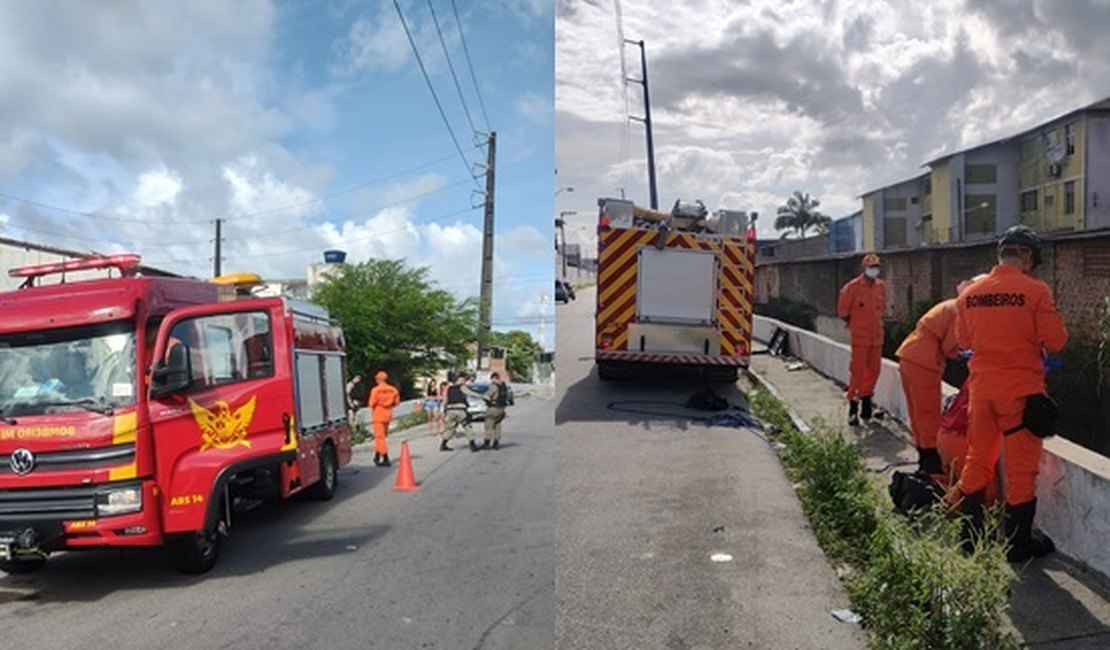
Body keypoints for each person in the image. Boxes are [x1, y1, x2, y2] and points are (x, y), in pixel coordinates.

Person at [947, 225, 1068, 562]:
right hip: (1020, 393)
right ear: (1026, 256)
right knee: (1021, 469)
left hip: (981, 392)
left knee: (978, 459)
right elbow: (1056, 341)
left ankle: (969, 537)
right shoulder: (1035, 291)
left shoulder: (970, 294)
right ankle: (1017, 544)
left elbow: (965, 343)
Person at [895, 275, 984, 477]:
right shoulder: (960, 310)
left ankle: (923, 457)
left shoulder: (950, 305)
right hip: (924, 361)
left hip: (910, 356)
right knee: (929, 414)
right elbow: (952, 345)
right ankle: (931, 464)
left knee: (917, 412)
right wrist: (966, 354)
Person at [838, 252, 887, 426]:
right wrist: (855, 324)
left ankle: (867, 405)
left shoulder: (880, 287)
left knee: (874, 371)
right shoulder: (852, 288)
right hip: (860, 338)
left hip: (876, 338)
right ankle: (853, 407)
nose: (874, 270)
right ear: (864, 268)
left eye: (876, 267)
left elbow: (882, 309)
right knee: (857, 373)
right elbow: (843, 311)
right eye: (871, 267)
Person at [440, 373, 482, 453]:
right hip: (460, 410)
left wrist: (443, 411)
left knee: (450, 428)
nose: (464, 381)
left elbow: (445, 401)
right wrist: (481, 396)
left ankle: (443, 444)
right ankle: (473, 445)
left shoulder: (450, 388)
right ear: (459, 381)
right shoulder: (462, 387)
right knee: (467, 427)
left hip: (450, 411)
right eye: (463, 380)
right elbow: (470, 393)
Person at [368, 371, 400, 467]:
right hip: (387, 415)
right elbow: (396, 403)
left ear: (378, 379)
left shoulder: (375, 390)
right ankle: (377, 457)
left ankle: (386, 458)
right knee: (381, 437)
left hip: (378, 415)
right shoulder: (393, 390)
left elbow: (371, 403)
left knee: (379, 438)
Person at [480, 372, 510, 450]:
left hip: (493, 408)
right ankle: (496, 443)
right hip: (501, 408)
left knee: (488, 425)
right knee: (497, 425)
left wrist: (487, 401)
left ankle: (487, 443)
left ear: (493, 378)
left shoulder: (493, 386)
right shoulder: (504, 386)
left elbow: (486, 396)